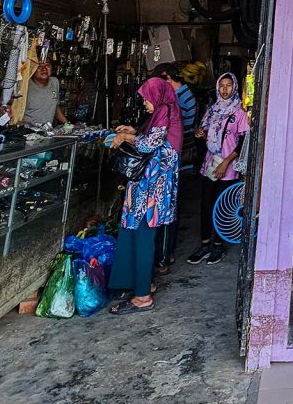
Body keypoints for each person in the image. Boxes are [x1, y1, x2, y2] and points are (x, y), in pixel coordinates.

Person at [105, 77, 179, 314]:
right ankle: (142, 283)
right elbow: (151, 136)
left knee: (145, 235)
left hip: (152, 189)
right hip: (146, 185)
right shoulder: (161, 112)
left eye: (147, 98)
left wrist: (127, 138)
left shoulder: (165, 110)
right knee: (136, 233)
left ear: (157, 95)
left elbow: (150, 144)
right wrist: (133, 131)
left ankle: (143, 297)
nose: (145, 102)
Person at [184, 72, 249, 265]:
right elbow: (205, 132)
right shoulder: (212, 111)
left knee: (223, 207)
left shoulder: (239, 113)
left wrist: (225, 163)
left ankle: (219, 245)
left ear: (234, 87)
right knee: (206, 205)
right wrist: (200, 134)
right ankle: (205, 244)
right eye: (222, 85)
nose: (225, 89)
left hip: (227, 168)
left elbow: (243, 143)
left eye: (229, 85)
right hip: (209, 166)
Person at [153, 62, 198, 275]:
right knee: (169, 204)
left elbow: (160, 135)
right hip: (175, 156)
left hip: (171, 158)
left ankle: (164, 254)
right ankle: (165, 252)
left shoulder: (175, 101)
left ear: (166, 78)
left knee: (167, 206)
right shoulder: (182, 95)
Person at [21, 60, 66, 128]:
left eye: (47, 65)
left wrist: (67, 123)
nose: (44, 69)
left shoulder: (54, 82)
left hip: (47, 132)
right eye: (39, 66)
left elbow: (55, 107)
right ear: (32, 69)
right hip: (27, 132)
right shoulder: (24, 85)